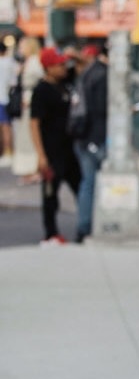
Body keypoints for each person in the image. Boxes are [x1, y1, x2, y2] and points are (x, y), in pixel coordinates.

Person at [29, 47, 81, 245]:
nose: (64, 67)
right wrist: (41, 155)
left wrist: (74, 55)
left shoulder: (65, 84)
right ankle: (50, 233)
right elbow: (34, 123)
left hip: (70, 149)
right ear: (49, 67)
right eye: (59, 65)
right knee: (50, 194)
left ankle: (86, 225)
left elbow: (83, 66)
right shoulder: (41, 90)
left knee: (81, 188)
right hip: (51, 151)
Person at [72, 44, 108, 242]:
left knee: (87, 182)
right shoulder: (102, 74)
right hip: (96, 136)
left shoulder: (85, 74)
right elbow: (101, 108)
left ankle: (84, 226)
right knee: (94, 183)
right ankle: (88, 225)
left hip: (83, 135)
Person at [11, 37, 42, 182]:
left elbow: (40, 81)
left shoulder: (35, 62)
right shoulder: (26, 62)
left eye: (22, 46)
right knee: (24, 138)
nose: (20, 50)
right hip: (25, 105)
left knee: (30, 137)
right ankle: (27, 169)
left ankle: (34, 169)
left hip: (30, 105)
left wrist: (30, 98)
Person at [0, 41, 17, 166]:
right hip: (6, 97)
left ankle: (7, 152)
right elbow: (13, 82)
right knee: (6, 127)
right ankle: (8, 152)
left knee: (4, 127)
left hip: (2, 98)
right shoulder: (11, 62)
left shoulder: (4, 63)